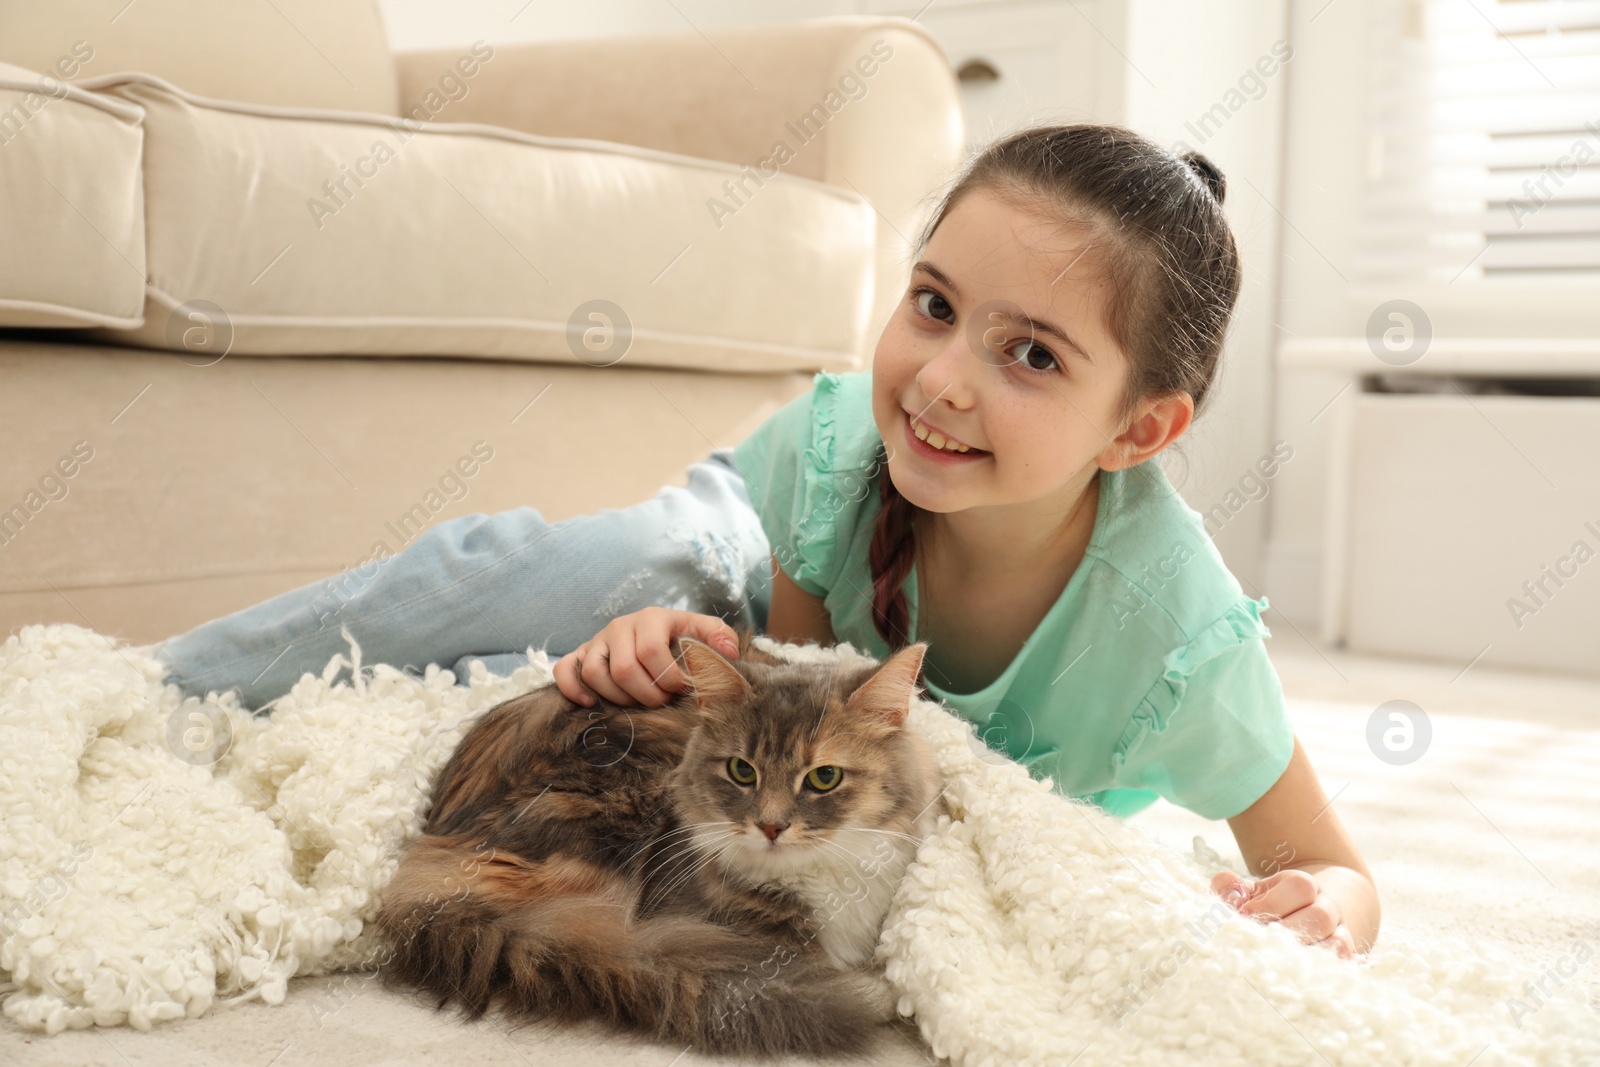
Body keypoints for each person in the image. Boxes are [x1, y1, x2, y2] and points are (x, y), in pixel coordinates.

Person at [154, 124, 1378, 959]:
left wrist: (1315, 906)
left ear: (1140, 427)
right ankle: (167, 679)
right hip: (772, 575)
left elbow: (1338, 868)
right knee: (616, 575)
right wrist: (668, 648)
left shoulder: (1171, 640)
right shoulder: (851, 446)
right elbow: (774, 677)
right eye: (934, 305)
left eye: (1030, 353)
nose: (940, 380)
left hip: (841, 731)